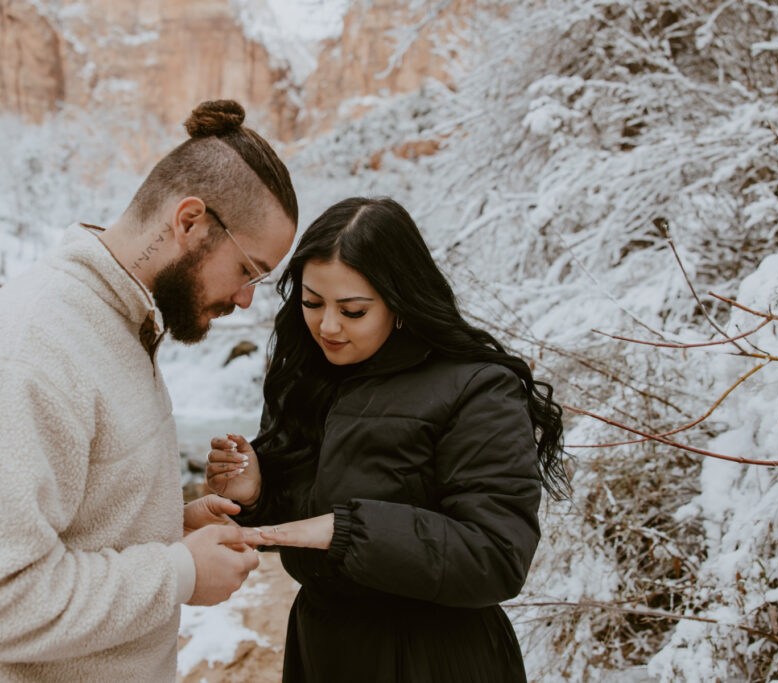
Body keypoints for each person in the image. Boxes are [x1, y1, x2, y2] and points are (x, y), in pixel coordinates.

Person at [0, 100, 298, 682]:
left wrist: (164, 529)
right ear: (189, 223)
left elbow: (74, 522)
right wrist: (177, 573)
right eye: (248, 271)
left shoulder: (119, 323)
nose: (247, 299)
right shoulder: (27, 351)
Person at [205, 197, 570, 682]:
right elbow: (305, 510)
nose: (327, 327)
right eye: (312, 303)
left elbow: (497, 557)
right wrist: (256, 493)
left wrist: (350, 532)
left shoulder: (475, 386)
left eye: (353, 311)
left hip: (436, 657)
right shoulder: (306, 376)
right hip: (323, 649)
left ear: (400, 300)